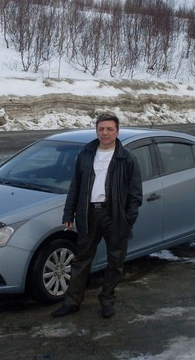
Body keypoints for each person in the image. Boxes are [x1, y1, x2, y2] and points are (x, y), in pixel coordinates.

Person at [51, 113, 143, 319]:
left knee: (115, 262)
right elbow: (75, 186)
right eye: (101, 129)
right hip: (89, 214)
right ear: (96, 131)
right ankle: (72, 302)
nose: (105, 133)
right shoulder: (86, 154)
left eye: (110, 129)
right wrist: (69, 213)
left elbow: (135, 193)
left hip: (115, 216)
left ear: (117, 132)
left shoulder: (127, 158)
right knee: (81, 261)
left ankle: (107, 300)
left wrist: (128, 218)